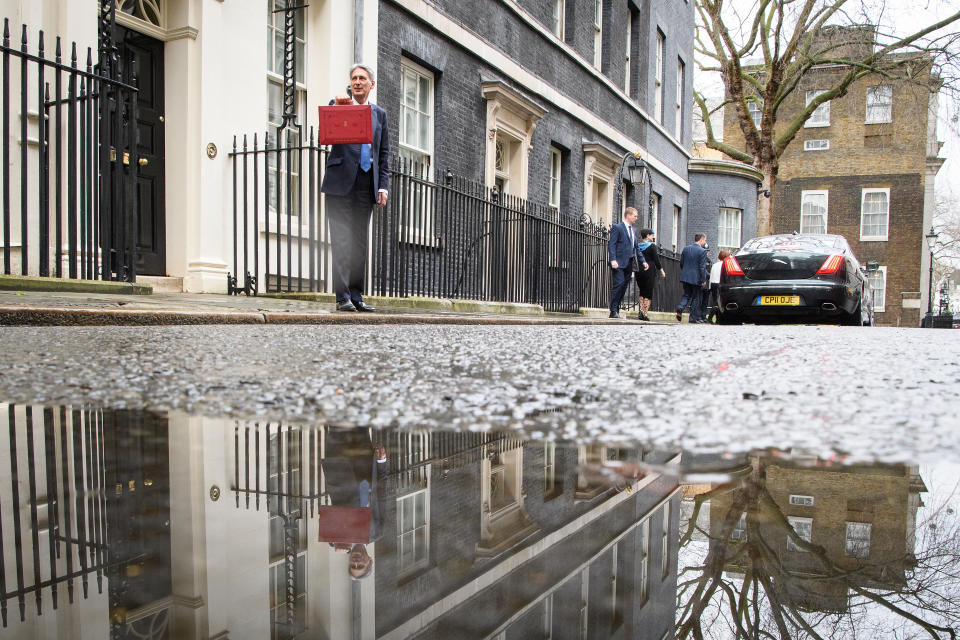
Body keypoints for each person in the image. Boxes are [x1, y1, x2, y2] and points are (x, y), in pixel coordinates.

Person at [321, 64, 390, 313]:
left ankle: (356, 295)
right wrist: (337, 106)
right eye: (354, 78)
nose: (358, 82)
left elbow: (384, 153)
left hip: (366, 183)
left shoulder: (379, 114)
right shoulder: (339, 105)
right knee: (341, 239)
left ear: (372, 84)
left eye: (362, 78)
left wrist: (383, 185)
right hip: (340, 183)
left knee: (359, 242)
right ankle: (342, 297)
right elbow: (327, 130)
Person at [321, 428, 388, 579]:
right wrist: (381, 463)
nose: (356, 562)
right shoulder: (377, 533)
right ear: (369, 560)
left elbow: (330, 518)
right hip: (364, 463)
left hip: (339, 465)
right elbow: (381, 496)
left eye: (353, 566)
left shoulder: (337, 541)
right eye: (361, 566)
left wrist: (339, 539)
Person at [607, 207, 648, 318]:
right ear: (628, 215)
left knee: (624, 286)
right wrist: (613, 259)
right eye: (635, 215)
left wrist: (643, 261)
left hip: (629, 263)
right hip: (618, 263)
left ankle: (616, 309)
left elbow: (636, 248)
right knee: (618, 284)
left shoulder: (633, 230)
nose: (636, 218)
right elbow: (612, 245)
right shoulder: (618, 228)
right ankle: (613, 310)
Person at [634, 228, 666, 321]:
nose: (653, 237)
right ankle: (645, 313)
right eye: (652, 235)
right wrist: (662, 271)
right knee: (648, 292)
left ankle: (640, 311)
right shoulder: (652, 247)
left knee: (642, 291)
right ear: (647, 235)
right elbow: (656, 260)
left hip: (639, 271)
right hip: (649, 270)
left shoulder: (638, 246)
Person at [676, 233, 708, 323]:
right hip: (696, 278)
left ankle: (680, 307)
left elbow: (681, 263)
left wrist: (685, 272)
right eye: (705, 240)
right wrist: (703, 279)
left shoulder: (686, 249)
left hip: (685, 276)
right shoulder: (702, 251)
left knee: (686, 294)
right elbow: (702, 267)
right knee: (695, 297)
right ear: (701, 240)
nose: (705, 242)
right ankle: (692, 318)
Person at [705, 249, 730, 323]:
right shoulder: (725, 265)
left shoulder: (715, 265)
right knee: (719, 303)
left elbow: (711, 275)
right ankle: (711, 318)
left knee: (715, 301)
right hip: (720, 284)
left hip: (713, 284)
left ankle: (717, 319)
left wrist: (710, 287)